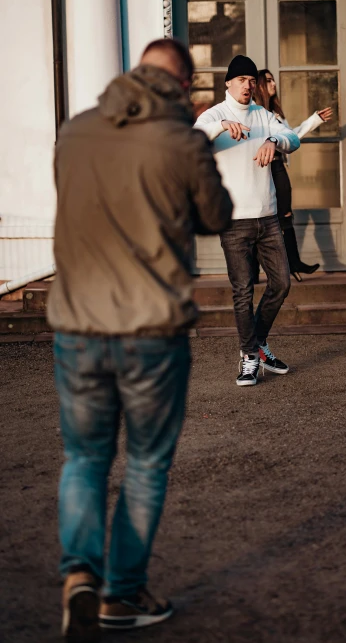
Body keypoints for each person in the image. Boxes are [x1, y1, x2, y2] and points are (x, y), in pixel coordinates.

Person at [47, 38, 233, 642]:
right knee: (147, 465)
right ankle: (121, 596)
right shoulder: (182, 141)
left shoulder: (74, 133)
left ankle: (79, 575)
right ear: (182, 85)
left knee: (84, 458)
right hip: (151, 330)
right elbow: (216, 217)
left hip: (77, 324)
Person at [194, 54, 300, 386]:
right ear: (228, 83)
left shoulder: (264, 116)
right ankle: (249, 356)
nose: (247, 86)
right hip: (234, 220)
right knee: (242, 290)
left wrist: (273, 140)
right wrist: (221, 127)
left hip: (267, 217)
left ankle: (258, 343)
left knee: (281, 283)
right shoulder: (213, 115)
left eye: (252, 81)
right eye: (241, 80)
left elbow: (293, 138)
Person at [255, 69, 333, 281]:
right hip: (267, 168)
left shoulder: (276, 113)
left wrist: (314, 120)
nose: (274, 84)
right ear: (260, 85)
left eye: (273, 80)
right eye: (268, 81)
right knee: (260, 218)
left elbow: (291, 135)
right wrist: (313, 121)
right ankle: (255, 270)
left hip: (279, 167)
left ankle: (293, 262)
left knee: (285, 215)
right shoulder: (258, 113)